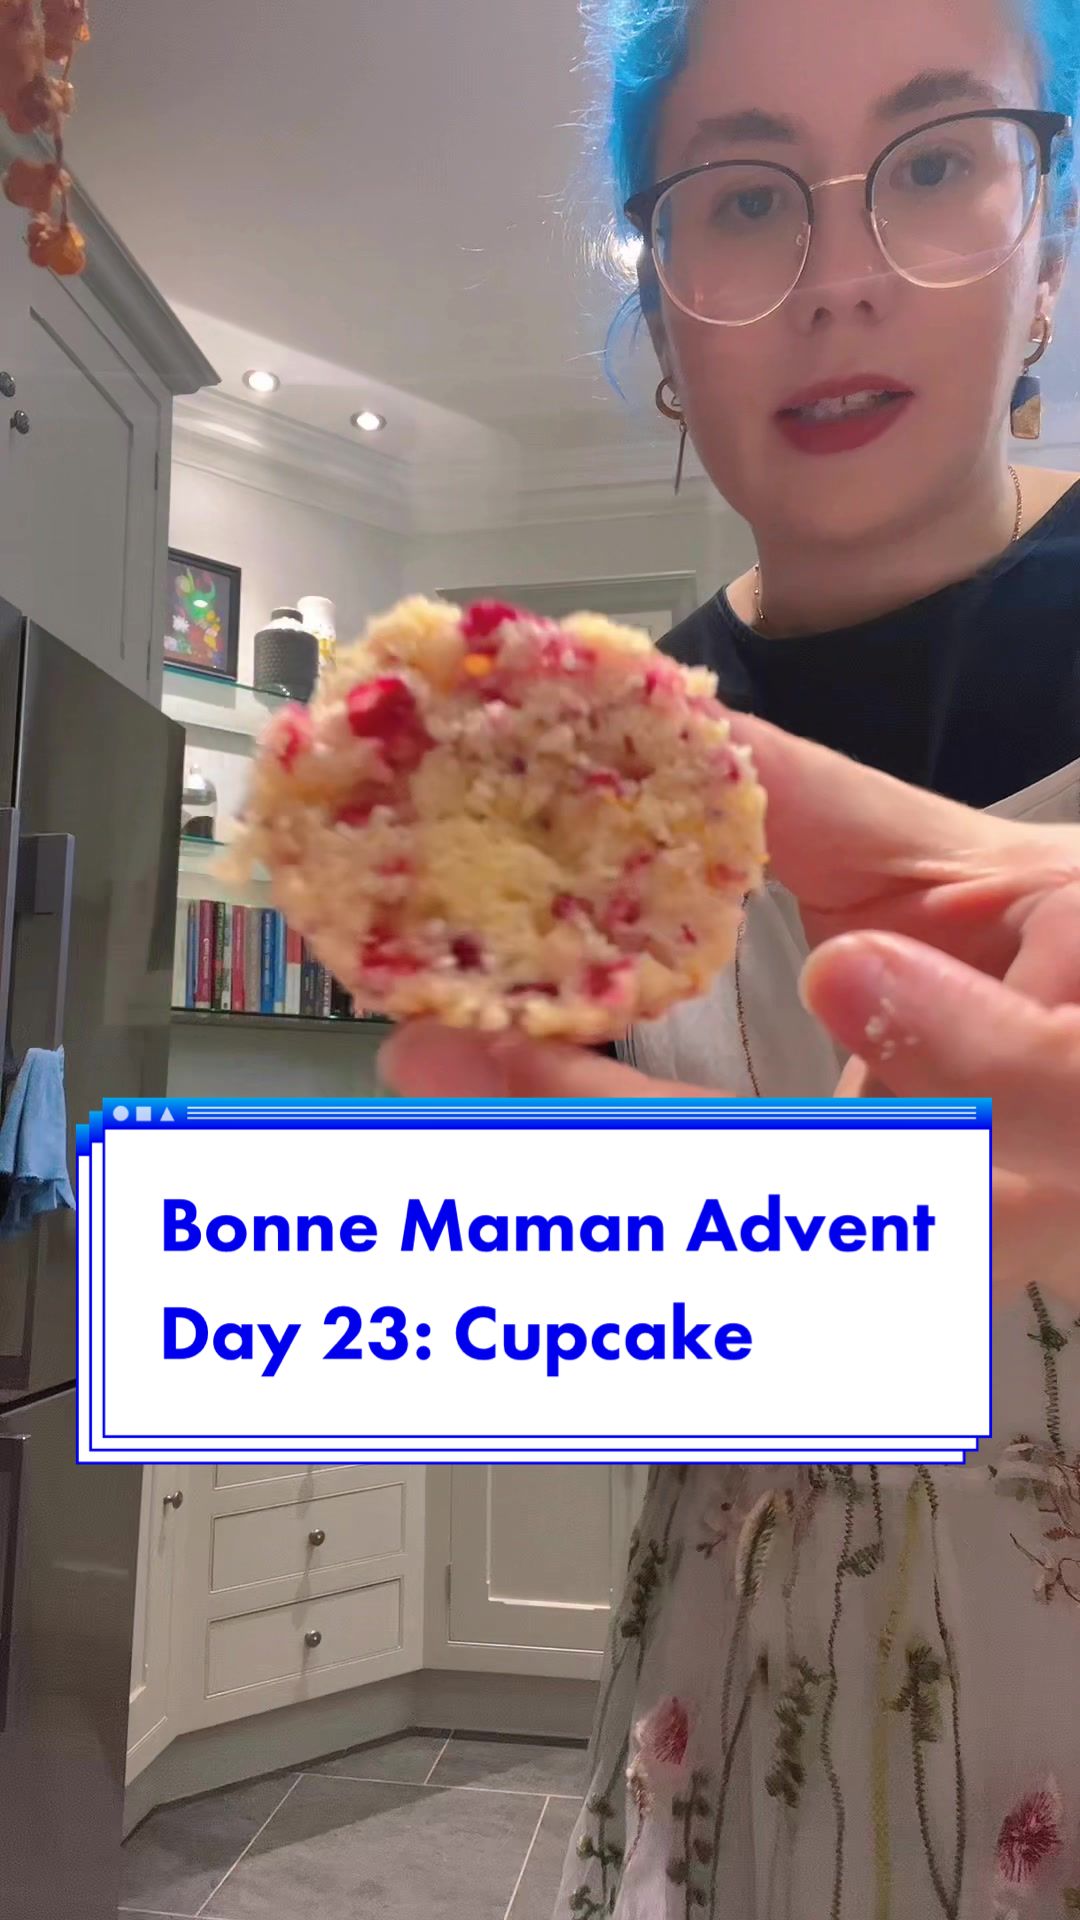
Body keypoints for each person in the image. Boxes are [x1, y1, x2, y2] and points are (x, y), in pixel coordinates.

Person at [392, 0, 1080, 1908]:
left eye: (933, 162)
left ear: (1048, 246)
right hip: (723, 1783)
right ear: (664, 312)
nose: (842, 274)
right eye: (748, 195)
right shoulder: (591, 767)